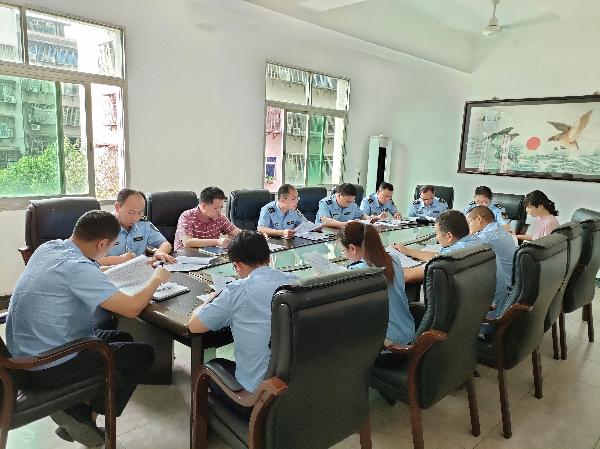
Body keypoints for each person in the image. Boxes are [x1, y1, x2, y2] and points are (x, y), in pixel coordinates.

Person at [6, 210, 169, 447]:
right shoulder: (77, 268)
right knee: (141, 354)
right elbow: (132, 308)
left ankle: (78, 414)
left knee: (123, 337)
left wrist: (134, 267)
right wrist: (156, 278)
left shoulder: (49, 248)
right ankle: (85, 417)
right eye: (110, 246)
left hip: (24, 352)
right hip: (46, 365)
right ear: (102, 243)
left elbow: (87, 273)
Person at [188, 231, 297, 399]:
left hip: (256, 397)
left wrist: (209, 300)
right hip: (293, 386)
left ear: (237, 265)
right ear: (268, 258)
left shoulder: (237, 291)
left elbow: (194, 326)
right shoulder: (295, 282)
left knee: (214, 365)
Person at [340, 222, 415, 346]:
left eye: (343, 250)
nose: (345, 255)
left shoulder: (356, 272)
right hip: (409, 334)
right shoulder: (394, 259)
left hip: (386, 346)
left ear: (352, 248)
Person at [394, 210, 481, 283]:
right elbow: (436, 256)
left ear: (449, 236)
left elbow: (406, 276)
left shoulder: (450, 255)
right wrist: (407, 251)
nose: (436, 237)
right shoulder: (477, 241)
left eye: (437, 233)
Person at [98, 188, 176, 266]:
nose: (135, 218)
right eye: (130, 213)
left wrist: (160, 252)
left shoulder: (143, 224)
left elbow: (165, 244)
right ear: (117, 207)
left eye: (140, 213)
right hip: (109, 271)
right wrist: (120, 259)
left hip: (139, 269)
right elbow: (91, 260)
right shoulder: (101, 226)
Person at [466, 206, 517, 320]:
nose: (468, 226)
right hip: (514, 283)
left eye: (469, 222)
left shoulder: (487, 236)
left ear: (479, 219)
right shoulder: (498, 229)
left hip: (505, 290)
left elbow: (459, 250)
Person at [174, 186, 241, 251]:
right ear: (204, 206)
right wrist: (217, 242)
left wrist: (244, 236)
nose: (219, 211)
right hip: (185, 255)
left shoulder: (220, 217)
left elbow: (238, 233)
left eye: (221, 207)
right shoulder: (187, 216)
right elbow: (187, 242)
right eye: (216, 208)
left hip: (209, 255)